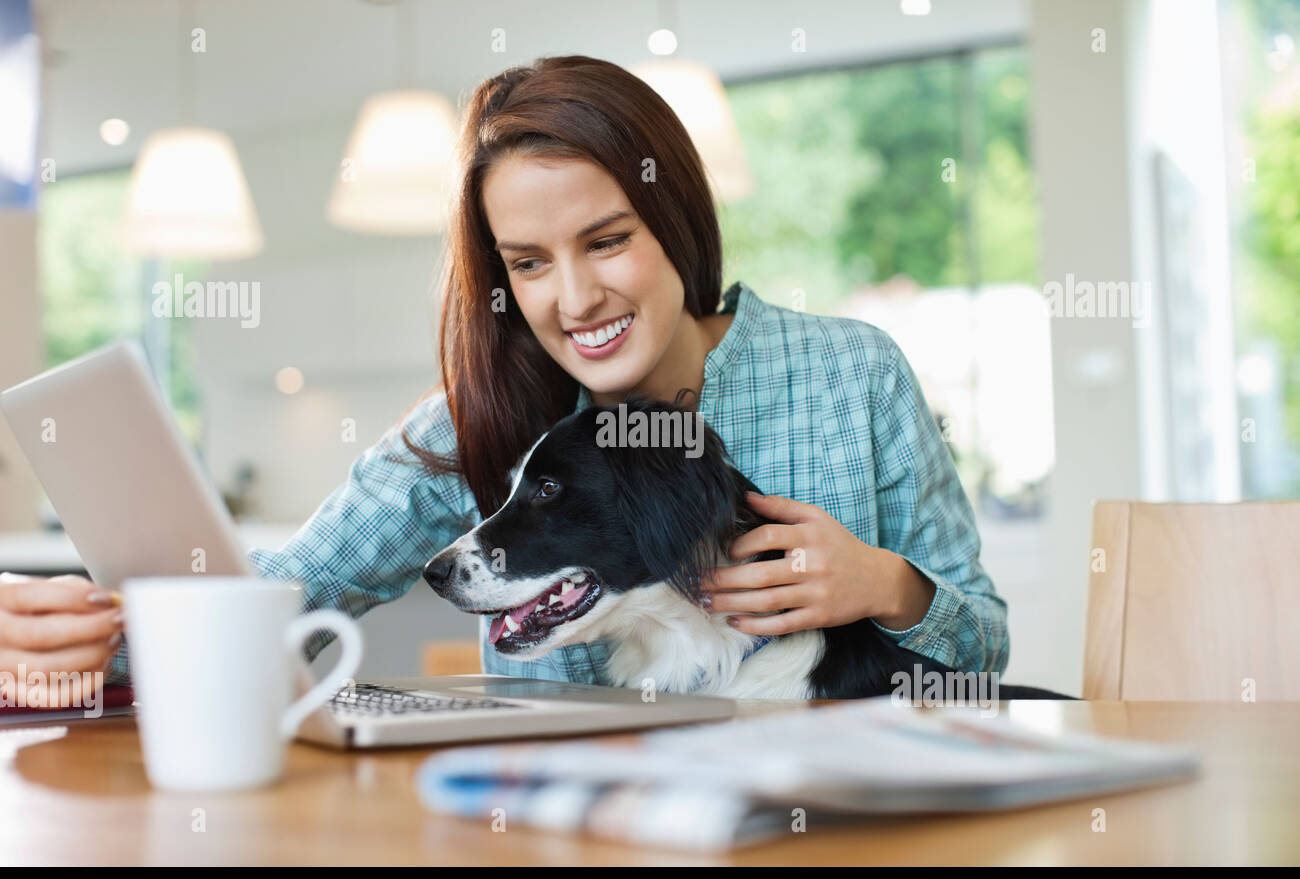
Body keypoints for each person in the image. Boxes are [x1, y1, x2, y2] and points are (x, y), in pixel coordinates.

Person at [0, 54, 1007, 703]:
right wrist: (70, 635)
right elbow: (281, 599)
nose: (573, 298)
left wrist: (886, 582)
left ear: (677, 223)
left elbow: (982, 651)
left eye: (606, 240)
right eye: (527, 262)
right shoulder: (474, 424)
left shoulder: (846, 375)